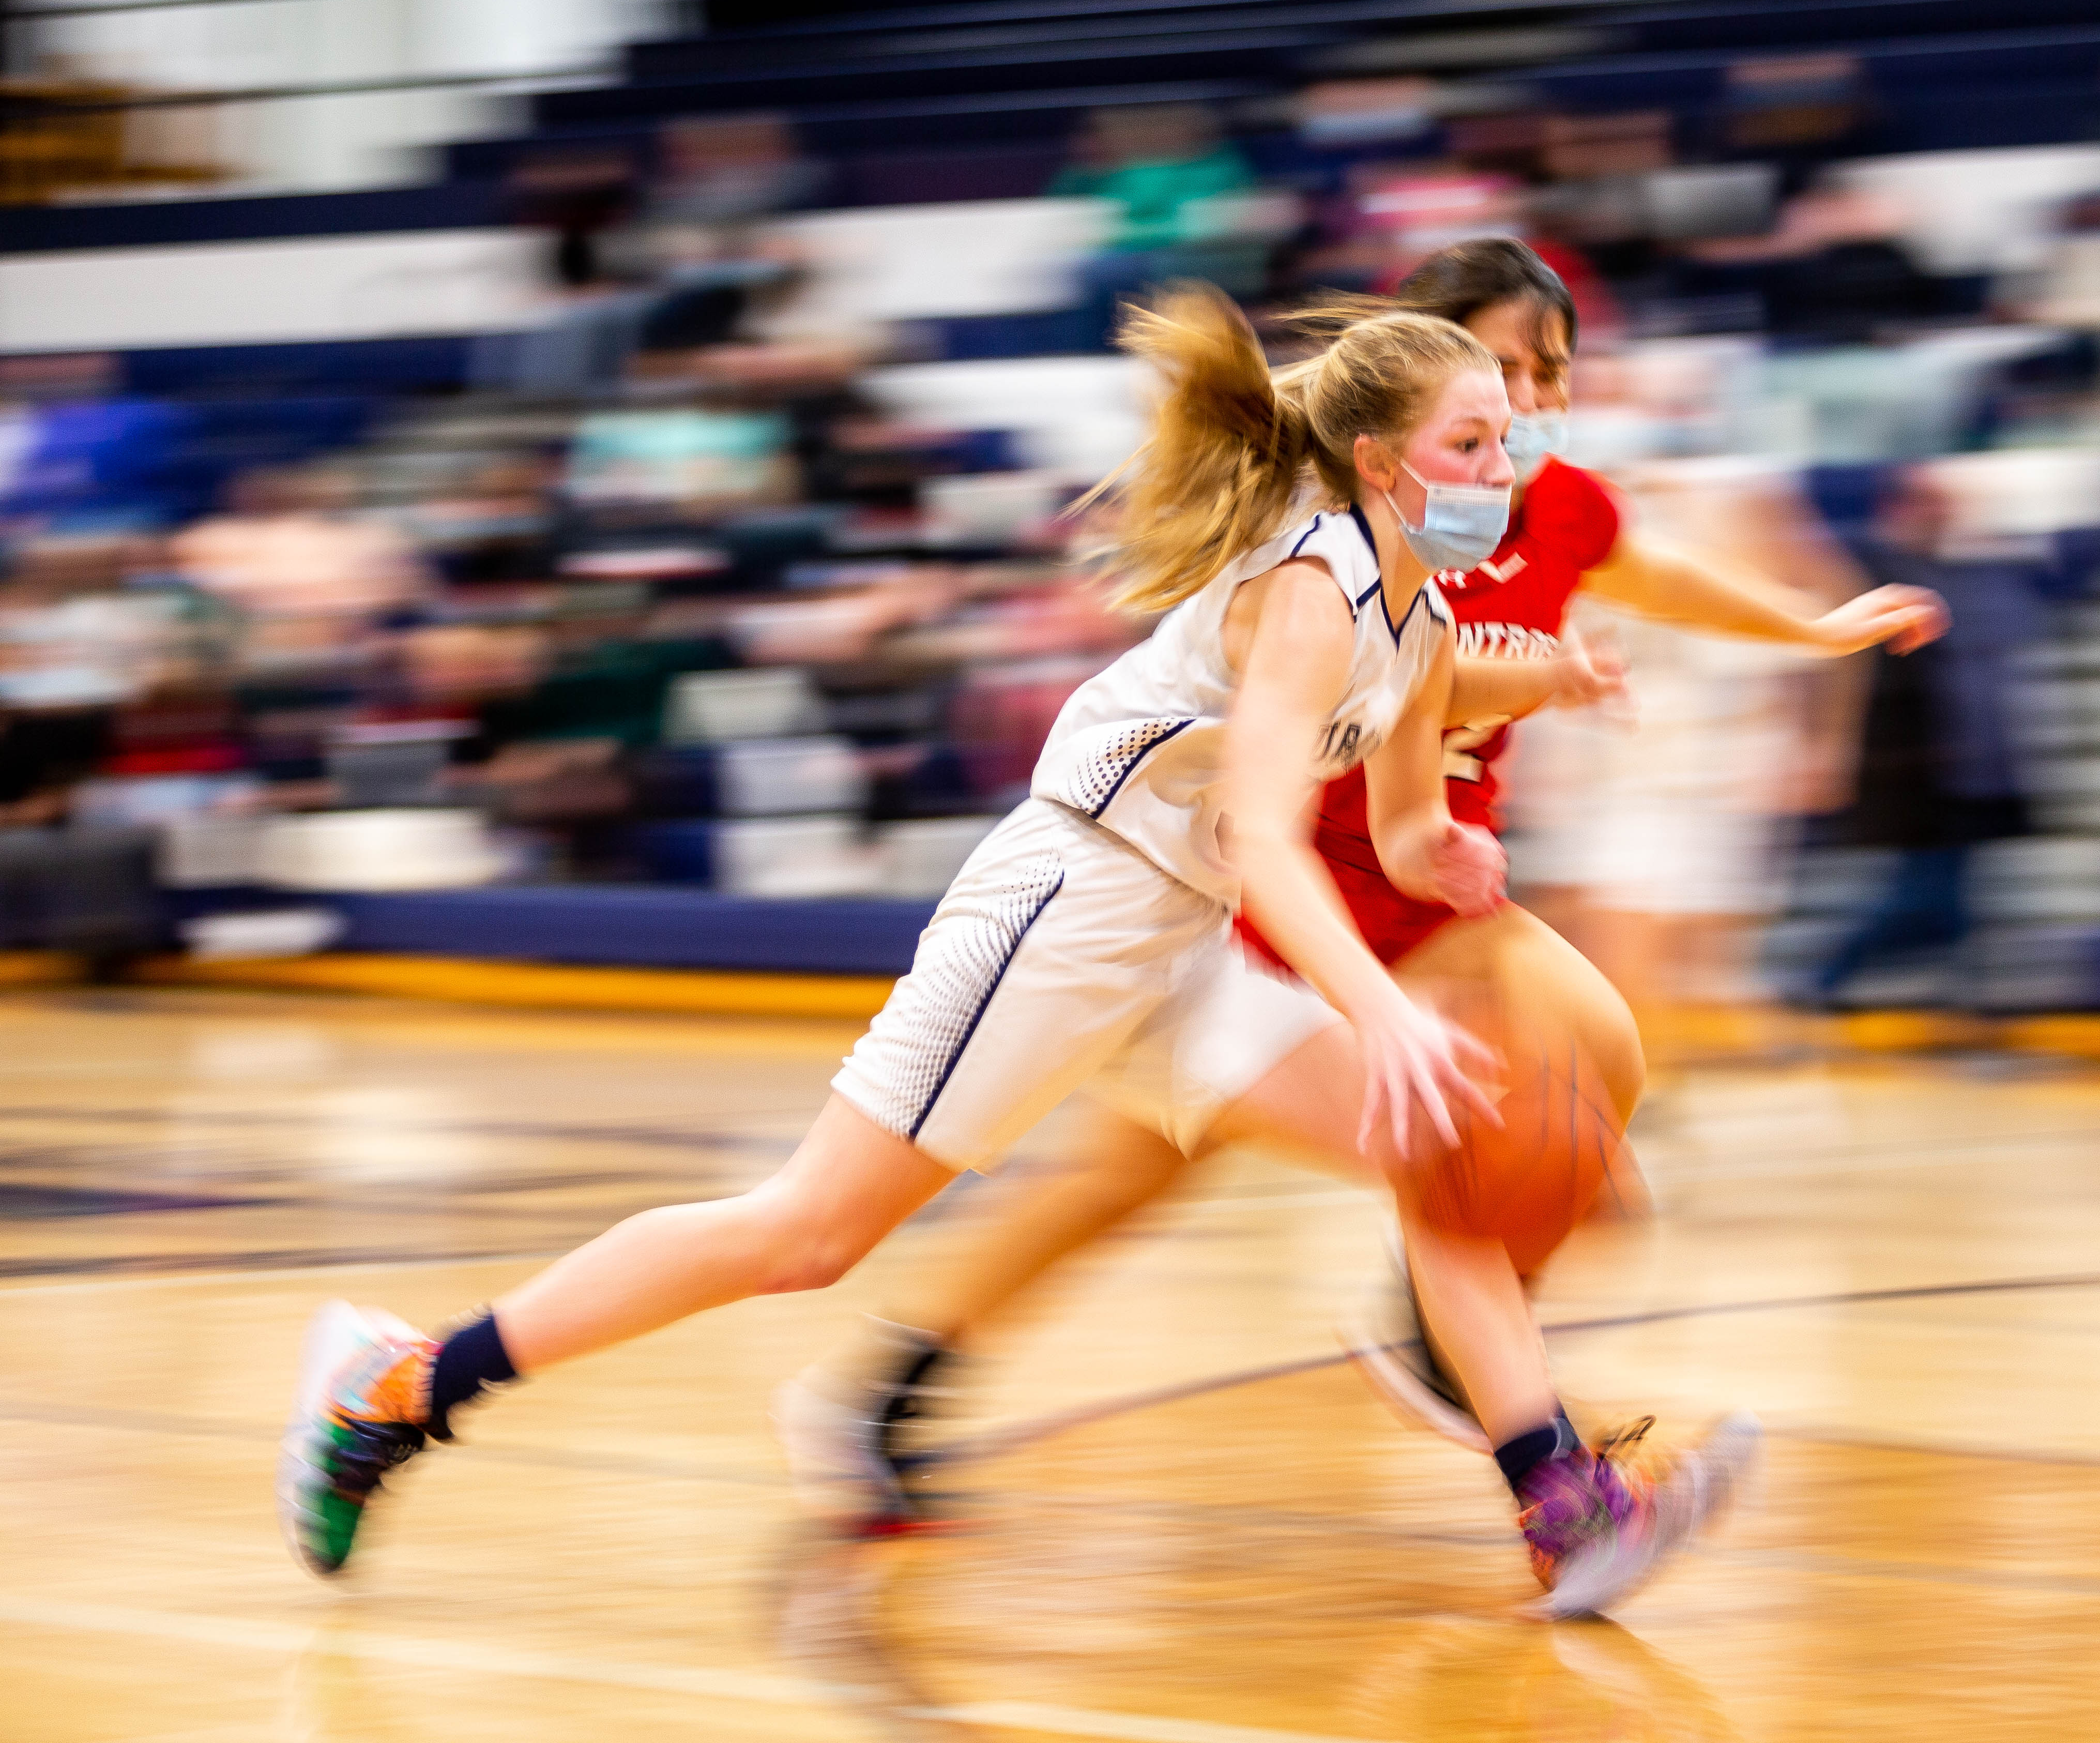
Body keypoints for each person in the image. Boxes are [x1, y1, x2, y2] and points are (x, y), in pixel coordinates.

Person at [280, 285, 1751, 1618]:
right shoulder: (1308, 589)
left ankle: (1562, 1506)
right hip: (1068, 902)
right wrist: (1379, 1006)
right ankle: (394, 1390)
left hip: (1175, 941)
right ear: (1382, 460)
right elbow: (1266, 837)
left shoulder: (1418, 614)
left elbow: (1408, 824)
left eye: (1509, 442)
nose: (1509, 473)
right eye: (1478, 444)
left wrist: (1459, 854)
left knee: (1434, 1147)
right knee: (805, 1234)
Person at [804, 238, 1942, 1508]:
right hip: (1285, 886)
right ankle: (893, 1389)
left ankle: (1461, 1358)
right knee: (1126, 1179)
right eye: (1507, 366)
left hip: (1431, 873)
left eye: (1550, 373)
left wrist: (1811, 629)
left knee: (1592, 1071)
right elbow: (1375, 685)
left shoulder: (1556, 507)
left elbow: (1669, 581)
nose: (1531, 397)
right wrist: (1550, 678)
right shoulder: (1349, 530)